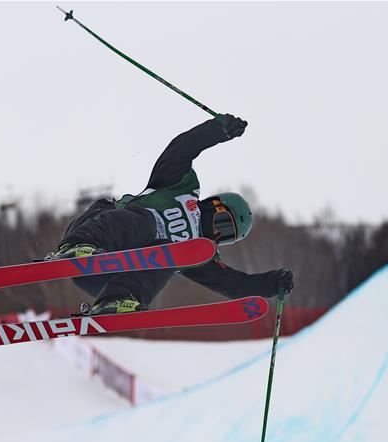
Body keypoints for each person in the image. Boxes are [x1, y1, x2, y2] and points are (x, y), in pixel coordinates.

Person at [47, 114, 294, 315]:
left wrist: (272, 283)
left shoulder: (199, 253)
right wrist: (217, 130)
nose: (217, 233)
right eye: (222, 222)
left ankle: (119, 300)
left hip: (103, 278)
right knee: (148, 222)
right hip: (95, 231)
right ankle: (78, 246)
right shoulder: (181, 188)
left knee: (170, 254)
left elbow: (234, 284)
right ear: (214, 204)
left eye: (226, 236)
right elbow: (181, 150)